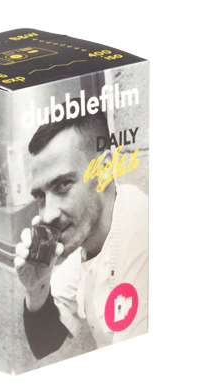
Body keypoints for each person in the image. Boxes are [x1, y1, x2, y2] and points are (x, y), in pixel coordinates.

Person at [14, 99, 148, 359]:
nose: (48, 214)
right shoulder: (86, 238)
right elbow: (45, 344)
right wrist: (37, 288)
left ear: (105, 169)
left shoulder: (143, 239)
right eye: (40, 196)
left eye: (63, 185)